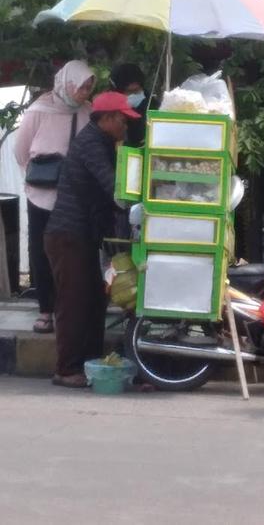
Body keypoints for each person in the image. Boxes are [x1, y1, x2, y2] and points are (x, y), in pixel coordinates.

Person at [44, 91, 140, 388]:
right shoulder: (91, 145)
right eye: (122, 120)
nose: (126, 125)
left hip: (84, 234)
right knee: (73, 302)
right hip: (69, 234)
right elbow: (113, 186)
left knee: (93, 301)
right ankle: (66, 369)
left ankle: (90, 364)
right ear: (107, 119)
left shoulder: (104, 142)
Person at [14, 60, 95, 333]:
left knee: (73, 253)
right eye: (81, 87)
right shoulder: (40, 109)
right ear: (67, 83)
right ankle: (46, 310)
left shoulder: (87, 112)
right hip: (41, 194)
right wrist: (41, 175)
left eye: (88, 87)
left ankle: (67, 309)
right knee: (41, 251)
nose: (85, 92)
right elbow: (21, 150)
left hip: (74, 197)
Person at [109, 63, 159, 147]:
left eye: (136, 90)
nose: (134, 95)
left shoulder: (152, 107)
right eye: (129, 92)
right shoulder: (108, 111)